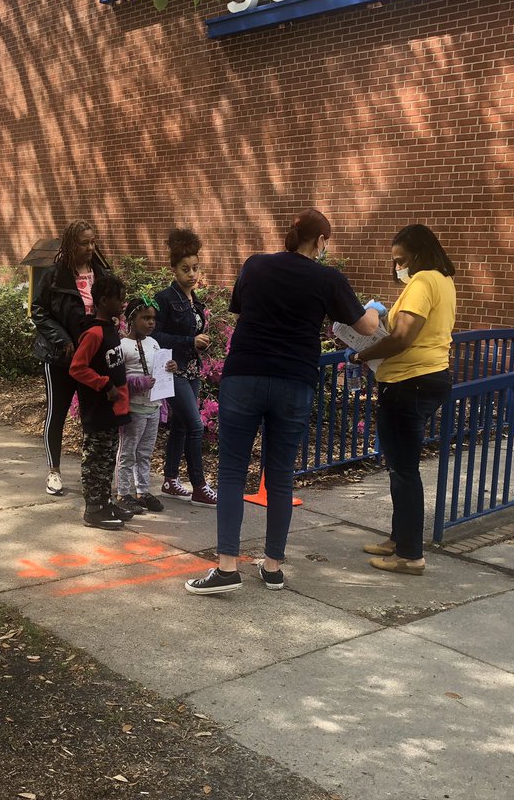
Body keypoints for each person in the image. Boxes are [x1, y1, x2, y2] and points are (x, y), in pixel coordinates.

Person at [185, 208, 381, 595]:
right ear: (321, 241)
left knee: (231, 470)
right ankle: (272, 566)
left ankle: (226, 567)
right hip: (295, 380)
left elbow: (238, 307)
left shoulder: (255, 265)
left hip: (245, 374)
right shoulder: (328, 278)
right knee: (279, 474)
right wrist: (374, 308)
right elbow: (366, 327)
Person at [353, 224, 457, 576]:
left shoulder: (423, 282)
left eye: (400, 260)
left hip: (409, 382)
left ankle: (410, 555)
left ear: (417, 254)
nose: (397, 267)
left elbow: (401, 338)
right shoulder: (443, 280)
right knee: (401, 467)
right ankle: (399, 539)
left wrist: (362, 354)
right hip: (426, 378)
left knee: (403, 470)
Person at [31, 220, 119, 497]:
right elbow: (39, 312)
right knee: (56, 414)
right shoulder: (55, 276)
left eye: (93, 242)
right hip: (60, 357)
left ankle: (91, 473)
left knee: (91, 417)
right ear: (71, 244)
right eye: (84, 243)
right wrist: (63, 340)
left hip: (92, 359)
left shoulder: (101, 274)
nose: (90, 248)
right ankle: (54, 470)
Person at [152, 228, 217, 508]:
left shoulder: (195, 301)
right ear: (174, 270)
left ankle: (169, 481)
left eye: (195, 268)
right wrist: (189, 340)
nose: (192, 274)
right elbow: (154, 336)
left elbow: (194, 333)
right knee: (194, 425)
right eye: (185, 269)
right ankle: (199, 486)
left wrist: (200, 343)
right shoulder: (165, 298)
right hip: (172, 370)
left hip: (192, 370)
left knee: (180, 425)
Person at [68, 275, 131, 530]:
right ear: (105, 301)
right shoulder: (93, 333)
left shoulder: (110, 329)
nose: (123, 302)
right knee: (95, 459)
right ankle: (93, 509)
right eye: (119, 298)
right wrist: (104, 384)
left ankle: (105, 502)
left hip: (112, 410)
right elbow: (77, 368)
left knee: (106, 458)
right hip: (97, 409)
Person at [116, 295, 177, 515]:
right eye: (145, 318)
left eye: (153, 318)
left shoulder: (154, 343)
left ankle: (142, 491)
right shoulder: (123, 346)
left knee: (145, 452)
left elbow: (160, 368)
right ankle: (123, 492)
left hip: (153, 407)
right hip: (134, 409)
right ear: (131, 320)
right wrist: (137, 383)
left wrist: (169, 366)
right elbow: (118, 378)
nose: (151, 322)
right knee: (128, 452)